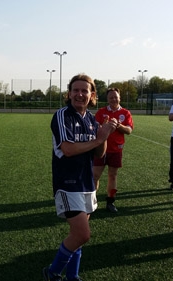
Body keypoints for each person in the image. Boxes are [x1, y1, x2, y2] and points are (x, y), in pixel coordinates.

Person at [44, 74, 118, 281]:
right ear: (69, 94)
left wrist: (104, 135)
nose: (79, 94)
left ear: (92, 95)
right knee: (82, 234)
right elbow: (67, 149)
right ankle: (52, 272)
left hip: (87, 183)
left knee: (78, 237)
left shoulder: (92, 119)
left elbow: (99, 154)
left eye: (84, 90)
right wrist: (99, 139)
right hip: (67, 183)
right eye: (75, 90)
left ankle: (73, 276)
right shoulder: (62, 115)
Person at [92, 88, 133, 213]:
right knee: (95, 176)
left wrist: (119, 125)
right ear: (107, 99)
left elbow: (129, 130)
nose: (114, 99)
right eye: (111, 97)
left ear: (119, 97)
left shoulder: (125, 113)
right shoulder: (101, 112)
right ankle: (91, 201)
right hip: (100, 149)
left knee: (113, 176)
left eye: (116, 97)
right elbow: (93, 129)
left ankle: (110, 201)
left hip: (116, 150)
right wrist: (103, 126)